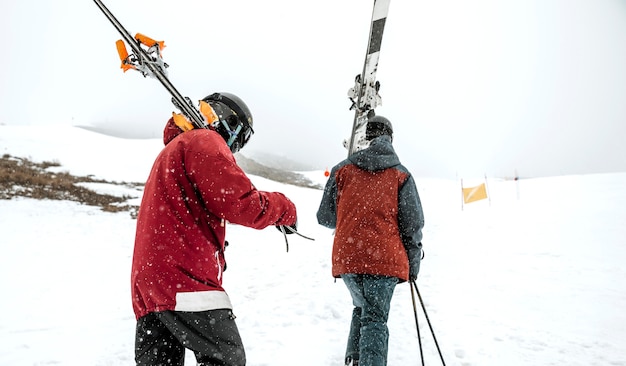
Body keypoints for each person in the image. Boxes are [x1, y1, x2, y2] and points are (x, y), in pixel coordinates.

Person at [131, 92, 298, 366]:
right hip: (184, 280)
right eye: (240, 136)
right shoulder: (203, 140)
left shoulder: (173, 151)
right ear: (227, 121)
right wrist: (285, 209)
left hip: (150, 285)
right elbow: (241, 203)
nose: (235, 147)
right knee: (227, 358)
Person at [316, 114, 424, 366]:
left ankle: (354, 360)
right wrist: (413, 265)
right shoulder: (401, 175)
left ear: (367, 137)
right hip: (384, 260)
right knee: (375, 318)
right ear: (390, 138)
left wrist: (351, 216)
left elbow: (325, 217)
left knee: (362, 308)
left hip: (348, 258)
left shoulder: (342, 169)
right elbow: (413, 225)